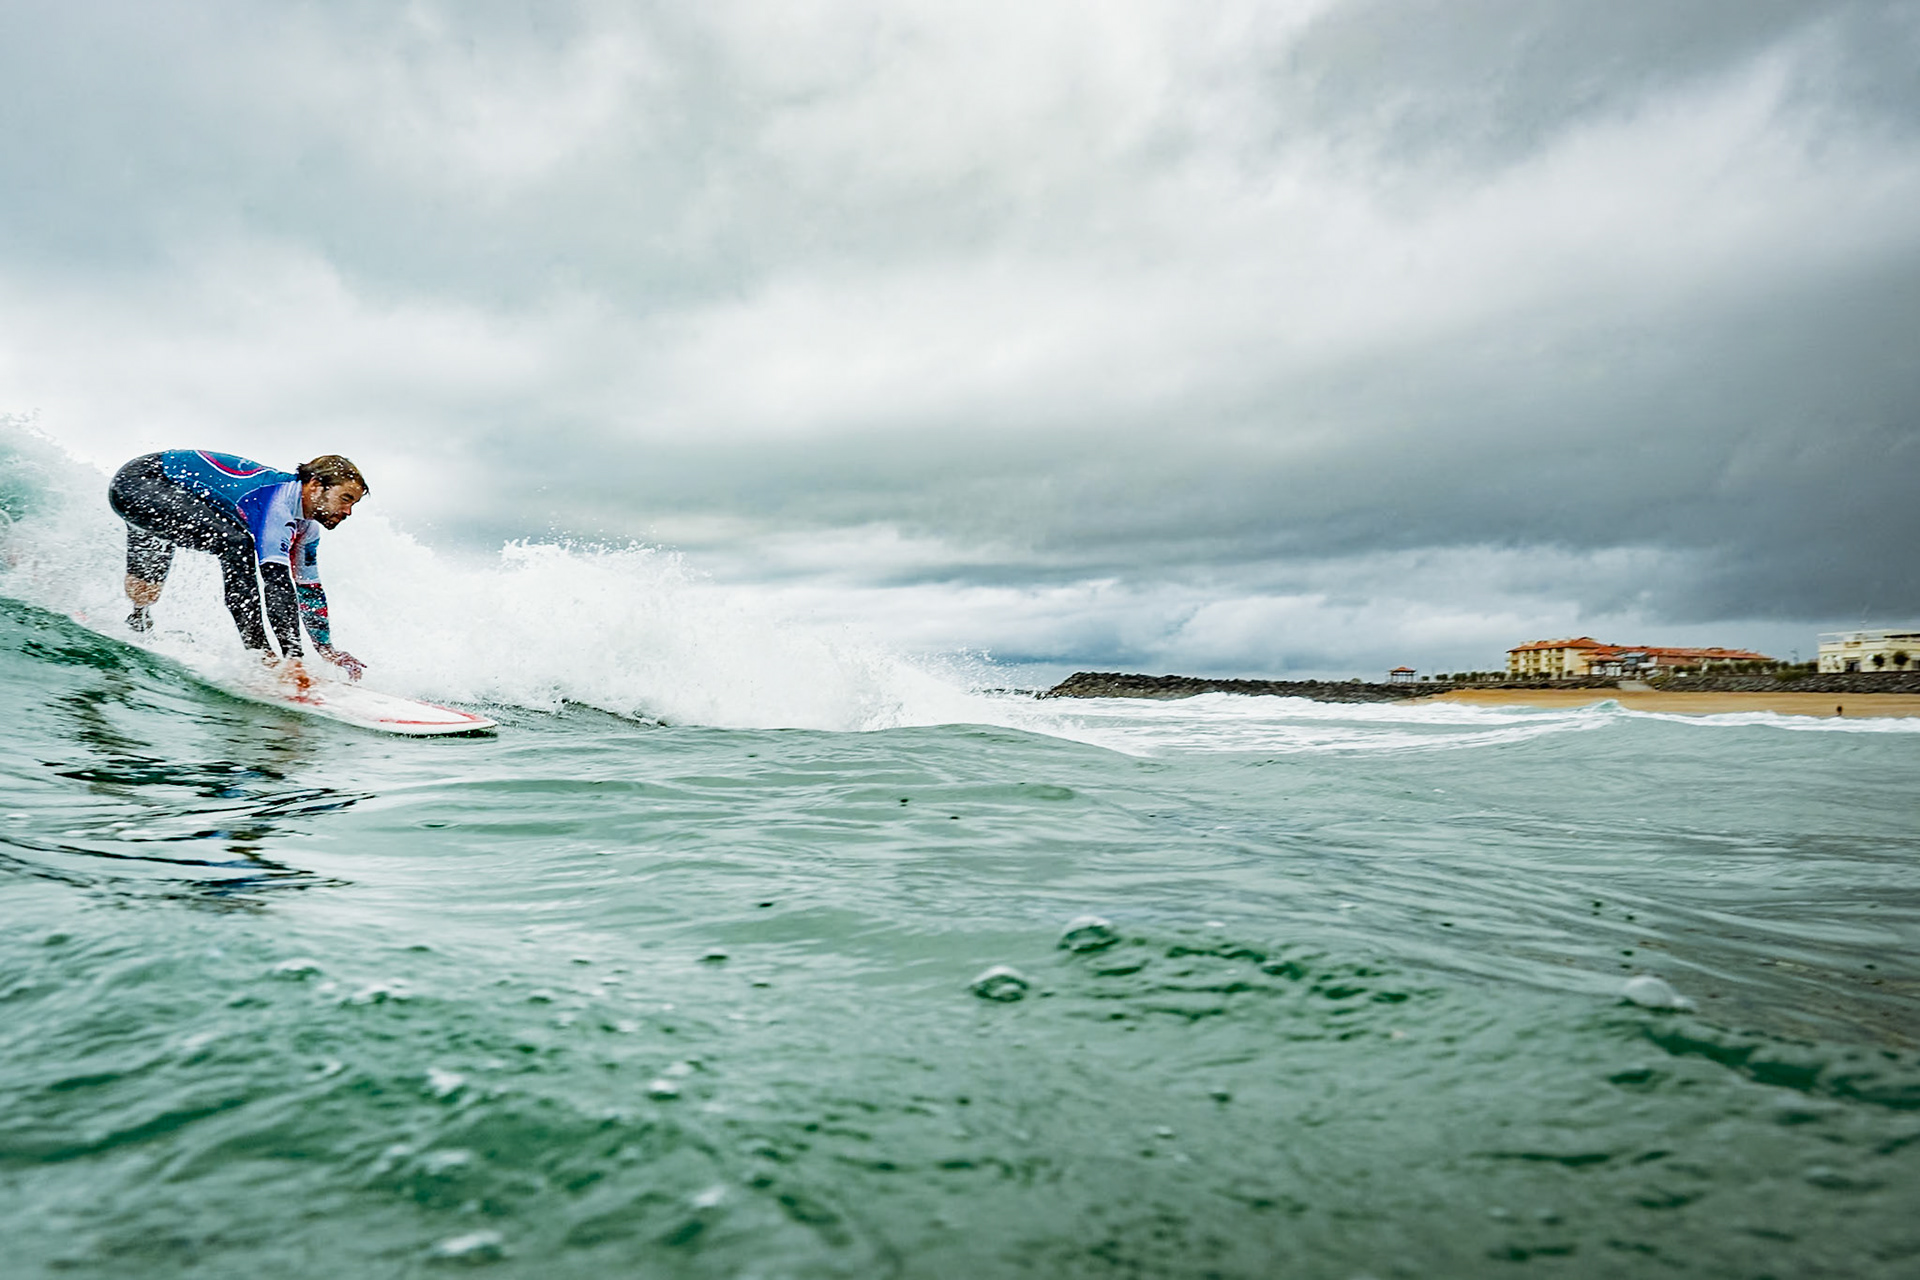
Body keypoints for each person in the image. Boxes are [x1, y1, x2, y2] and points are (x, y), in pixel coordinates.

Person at [107, 450, 368, 681]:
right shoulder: (277, 503)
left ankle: (137, 621)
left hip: (167, 498)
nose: (348, 511)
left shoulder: (306, 529)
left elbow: (308, 589)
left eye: (353, 504)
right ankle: (260, 655)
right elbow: (277, 583)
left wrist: (326, 649)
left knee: (145, 592)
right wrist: (293, 658)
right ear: (314, 485)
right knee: (236, 543)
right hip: (141, 482)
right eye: (345, 498)